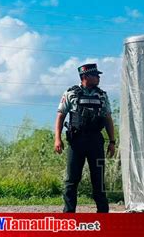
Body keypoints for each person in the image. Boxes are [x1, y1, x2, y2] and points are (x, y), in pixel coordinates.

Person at [54, 63, 116, 213]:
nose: (98, 78)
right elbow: (60, 115)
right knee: (71, 180)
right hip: (76, 141)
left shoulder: (101, 95)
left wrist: (112, 141)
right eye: (96, 75)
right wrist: (57, 138)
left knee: (98, 180)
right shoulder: (71, 93)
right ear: (85, 77)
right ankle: (69, 216)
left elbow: (108, 118)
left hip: (96, 141)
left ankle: (103, 215)